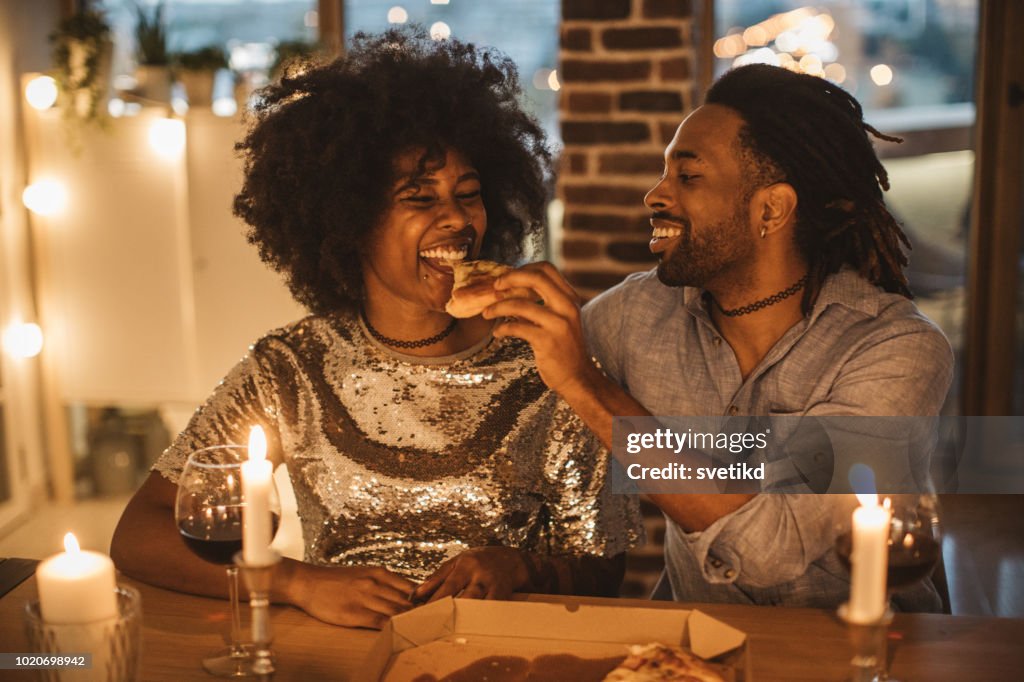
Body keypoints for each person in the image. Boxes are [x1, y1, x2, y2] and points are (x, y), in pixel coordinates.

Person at [110, 28, 642, 629]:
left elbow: (606, 568)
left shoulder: (545, 359)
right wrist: (293, 580)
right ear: (351, 218)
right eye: (420, 198)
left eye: (469, 194)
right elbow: (139, 532)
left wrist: (519, 567)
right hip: (343, 656)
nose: (458, 219)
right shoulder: (291, 366)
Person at [483, 64, 953, 611]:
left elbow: (768, 545)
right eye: (664, 174)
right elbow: (501, 377)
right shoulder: (639, 313)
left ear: (771, 209)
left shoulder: (896, 350)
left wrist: (587, 387)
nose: (655, 196)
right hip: (697, 653)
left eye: (688, 177)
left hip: (870, 655)